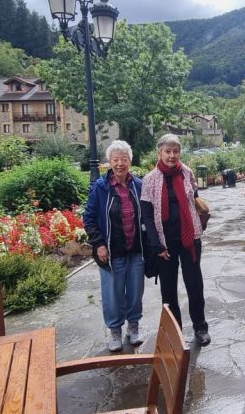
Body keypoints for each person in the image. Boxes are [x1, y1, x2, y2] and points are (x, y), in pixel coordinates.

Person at [140, 134, 211, 346]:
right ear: (159, 153)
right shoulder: (150, 179)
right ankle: (175, 333)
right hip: (165, 244)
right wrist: (156, 245)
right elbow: (146, 215)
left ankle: (200, 328)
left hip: (189, 241)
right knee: (169, 291)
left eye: (175, 151)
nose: (172, 155)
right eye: (167, 151)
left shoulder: (187, 172)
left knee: (195, 285)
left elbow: (195, 201)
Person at [83, 140, 146, 352]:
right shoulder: (101, 188)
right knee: (113, 294)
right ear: (109, 162)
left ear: (130, 161)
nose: (120, 163)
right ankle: (115, 330)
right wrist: (99, 244)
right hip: (111, 252)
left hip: (136, 250)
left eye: (124, 159)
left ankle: (134, 326)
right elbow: (89, 218)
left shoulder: (138, 185)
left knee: (135, 292)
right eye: (115, 159)